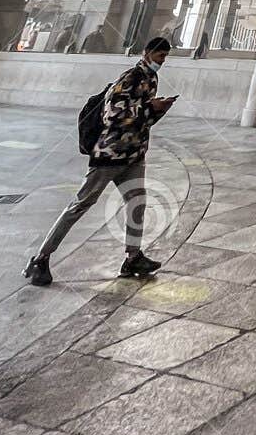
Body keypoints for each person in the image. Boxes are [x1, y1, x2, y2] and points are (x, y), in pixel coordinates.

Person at [23, 37, 177, 287]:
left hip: (133, 154)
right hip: (110, 155)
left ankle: (133, 257)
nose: (162, 62)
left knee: (137, 203)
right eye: (160, 56)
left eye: (165, 58)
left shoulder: (152, 79)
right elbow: (112, 115)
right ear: (148, 53)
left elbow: (141, 119)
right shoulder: (130, 77)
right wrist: (150, 108)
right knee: (80, 205)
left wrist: (158, 110)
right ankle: (40, 258)